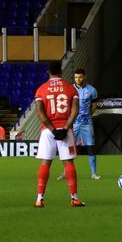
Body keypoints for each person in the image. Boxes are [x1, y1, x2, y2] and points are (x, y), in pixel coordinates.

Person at [33, 60, 84, 207]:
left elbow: (40, 113)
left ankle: (39, 199)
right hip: (65, 130)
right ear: (61, 71)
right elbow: (75, 110)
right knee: (68, 162)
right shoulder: (71, 88)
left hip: (48, 132)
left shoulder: (41, 89)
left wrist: (52, 129)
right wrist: (66, 128)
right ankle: (74, 198)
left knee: (45, 163)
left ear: (48, 72)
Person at [71, 69, 100, 180]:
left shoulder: (92, 90)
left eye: (80, 77)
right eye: (76, 77)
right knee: (70, 148)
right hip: (74, 122)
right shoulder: (70, 89)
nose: (78, 79)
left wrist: (89, 114)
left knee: (91, 147)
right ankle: (66, 172)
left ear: (85, 77)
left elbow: (94, 104)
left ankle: (94, 173)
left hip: (87, 122)